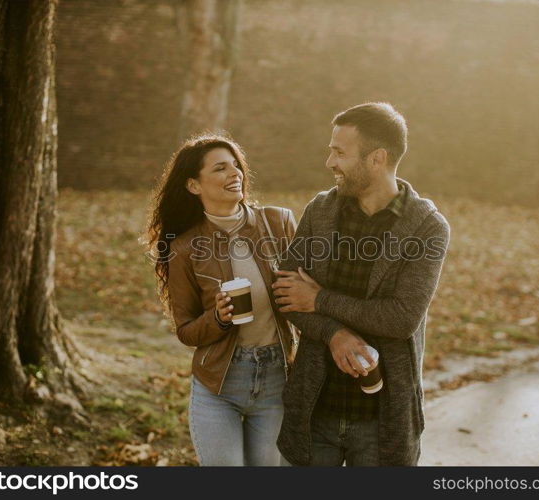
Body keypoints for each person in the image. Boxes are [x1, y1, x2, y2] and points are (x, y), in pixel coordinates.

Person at [272, 102, 451, 466]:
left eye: (339, 152)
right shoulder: (320, 211)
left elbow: (401, 319)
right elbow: (286, 294)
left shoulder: (427, 227)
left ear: (377, 158)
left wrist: (320, 299)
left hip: (381, 420)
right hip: (315, 409)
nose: (330, 162)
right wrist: (336, 334)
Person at [147, 134, 298, 466]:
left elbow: (308, 295)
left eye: (236, 166)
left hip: (276, 380)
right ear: (193, 185)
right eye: (220, 168)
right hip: (218, 386)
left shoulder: (278, 223)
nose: (235, 174)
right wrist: (217, 318)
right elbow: (186, 330)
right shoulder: (184, 248)